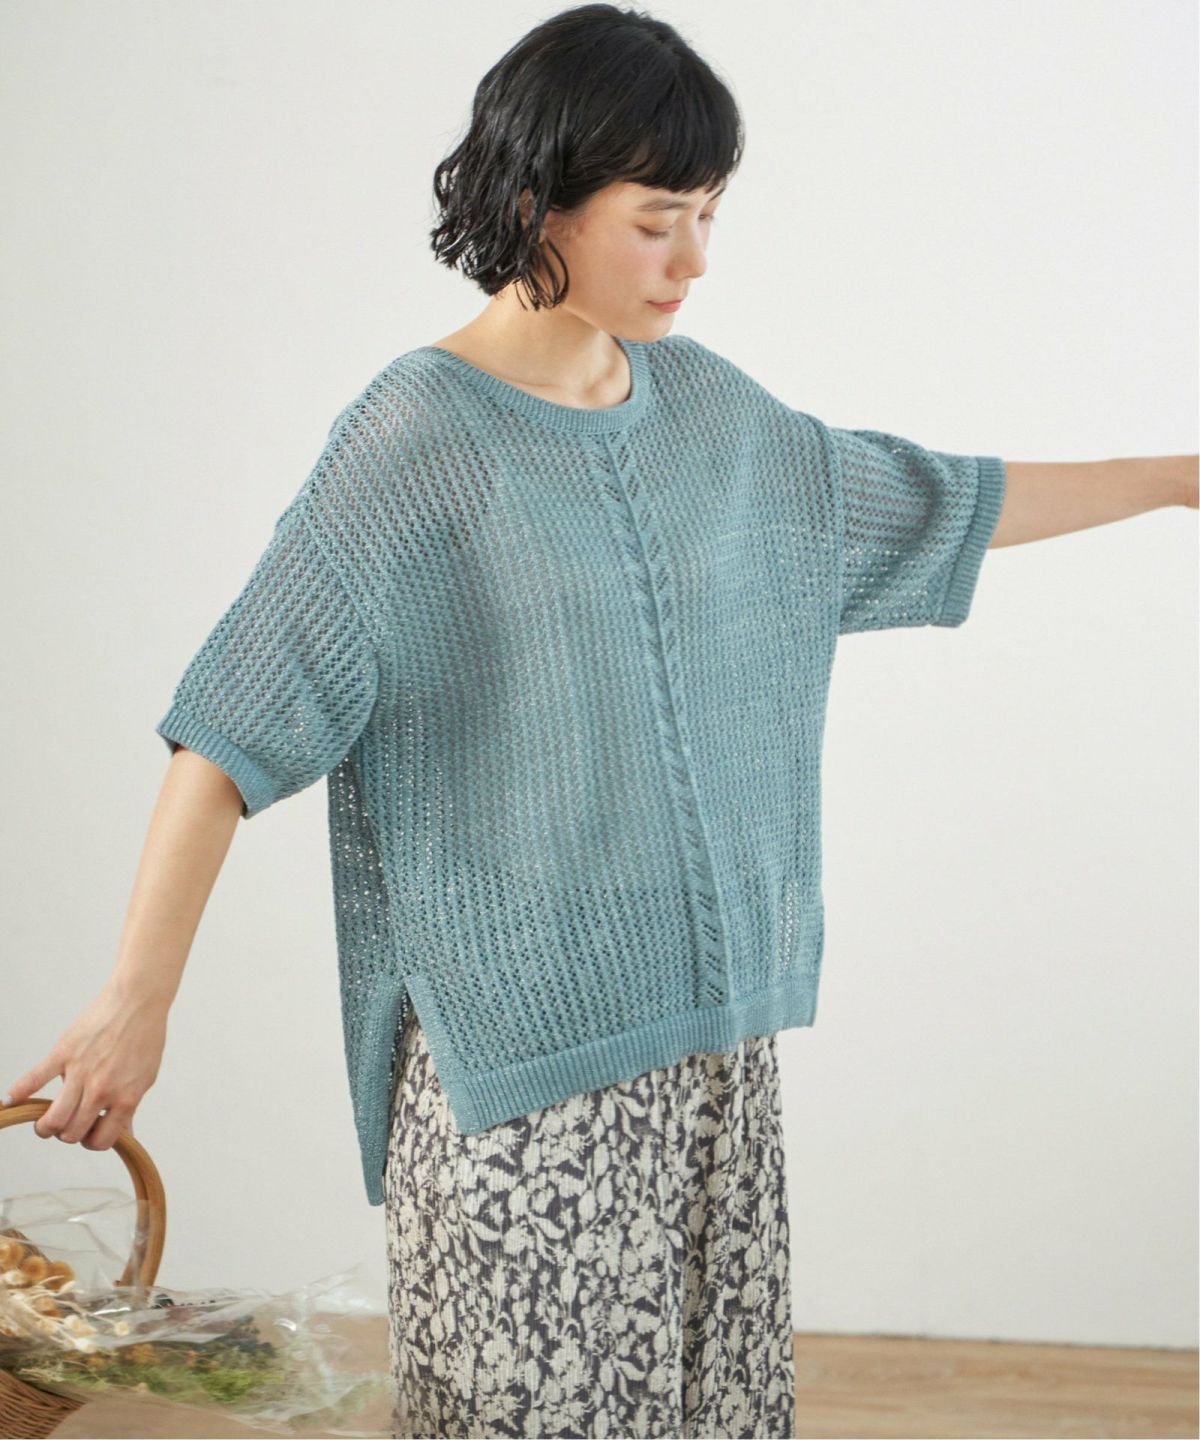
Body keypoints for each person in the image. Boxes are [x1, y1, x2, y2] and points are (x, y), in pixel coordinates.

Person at [4, 5, 1195, 1439]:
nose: (694, 260)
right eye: (656, 220)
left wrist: (1177, 478)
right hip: (524, 1083)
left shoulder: (712, 414)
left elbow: (927, 502)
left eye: (708, 215)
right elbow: (230, 734)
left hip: (710, 1055)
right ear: (536, 204)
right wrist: (135, 1008)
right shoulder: (414, 444)